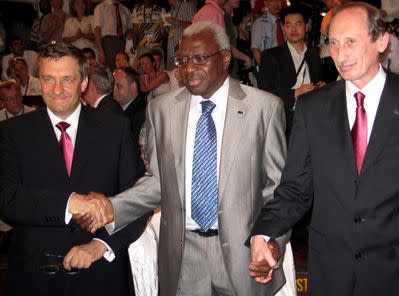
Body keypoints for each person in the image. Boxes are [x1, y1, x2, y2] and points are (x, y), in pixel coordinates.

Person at [73, 21, 289, 296]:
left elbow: (278, 189)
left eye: (199, 58)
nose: (188, 69)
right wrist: (111, 208)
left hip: (245, 255)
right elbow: (159, 183)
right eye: (183, 60)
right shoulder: (160, 110)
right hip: (183, 257)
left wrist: (272, 239)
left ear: (225, 58)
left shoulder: (264, 108)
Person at [248, 2, 399, 296]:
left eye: (351, 42)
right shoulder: (312, 108)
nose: (340, 54)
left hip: (398, 275)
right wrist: (262, 232)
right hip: (331, 274)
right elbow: (295, 189)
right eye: (334, 43)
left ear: (381, 41)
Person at [0, 42, 148, 296]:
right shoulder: (12, 132)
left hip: (102, 277)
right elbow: (8, 200)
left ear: (83, 82)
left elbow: (137, 202)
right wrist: (70, 203)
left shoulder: (115, 129)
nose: (57, 90)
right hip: (34, 278)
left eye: (67, 79)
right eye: (48, 79)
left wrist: (100, 245)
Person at [258, 6, 324, 137]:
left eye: (298, 24)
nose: (293, 30)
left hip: (313, 119)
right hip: (285, 123)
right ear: (283, 28)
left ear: (307, 26)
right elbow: (264, 91)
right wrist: (295, 92)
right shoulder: (270, 56)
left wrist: (321, 88)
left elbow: (318, 84)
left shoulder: (314, 56)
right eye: (288, 25)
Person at [93, 0, 133, 70]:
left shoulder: (125, 10)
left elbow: (129, 28)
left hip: (122, 42)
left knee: (123, 68)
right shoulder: (100, 7)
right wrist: (100, 50)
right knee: (110, 69)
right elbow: (97, 29)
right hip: (108, 43)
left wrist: (129, 34)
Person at [113, 66, 147, 139]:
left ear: (133, 86)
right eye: (113, 86)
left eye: (118, 86)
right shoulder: (112, 106)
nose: (113, 90)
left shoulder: (142, 113)